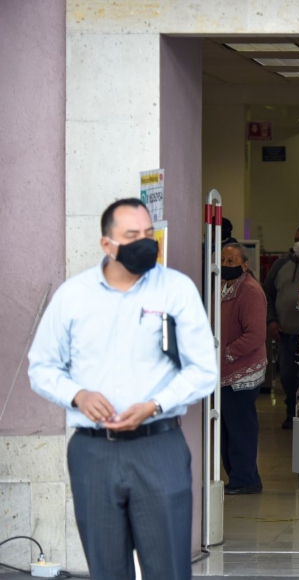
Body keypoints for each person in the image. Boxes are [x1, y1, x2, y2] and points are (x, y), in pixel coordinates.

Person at [27, 198, 217, 580]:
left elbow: (204, 371)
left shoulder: (176, 290)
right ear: (106, 245)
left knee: (169, 570)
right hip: (93, 453)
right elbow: (41, 367)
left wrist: (155, 404)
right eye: (132, 236)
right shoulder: (73, 296)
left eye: (148, 234)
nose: (144, 242)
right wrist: (77, 395)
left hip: (158, 447)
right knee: (107, 570)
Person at [220, 243, 268, 494]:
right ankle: (239, 478)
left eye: (231, 262)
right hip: (226, 371)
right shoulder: (225, 287)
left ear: (245, 264)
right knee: (228, 429)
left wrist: (227, 352)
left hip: (242, 372)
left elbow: (255, 334)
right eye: (224, 261)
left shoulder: (249, 291)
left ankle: (246, 480)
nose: (226, 266)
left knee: (240, 429)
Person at [264, 225, 299, 429]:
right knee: (286, 376)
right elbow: (267, 294)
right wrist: (271, 320)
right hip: (284, 333)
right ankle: (290, 411)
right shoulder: (280, 265)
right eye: (298, 239)